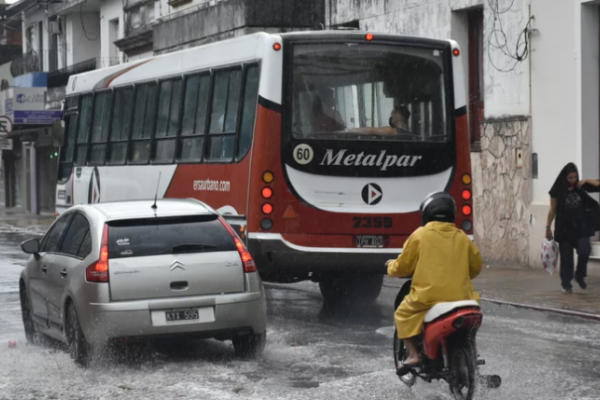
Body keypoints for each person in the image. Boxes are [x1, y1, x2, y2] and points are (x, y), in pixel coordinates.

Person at [385, 191, 482, 376]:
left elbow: (403, 265)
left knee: (402, 314)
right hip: (462, 298)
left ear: (427, 213)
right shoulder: (462, 237)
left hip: (427, 298)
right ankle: (473, 355)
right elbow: (476, 267)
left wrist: (391, 267)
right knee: (469, 328)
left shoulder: (420, 235)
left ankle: (413, 354)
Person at [546, 163, 600, 292]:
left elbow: (598, 185)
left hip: (580, 227)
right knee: (566, 257)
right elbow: (553, 210)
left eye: (575, 177)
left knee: (585, 251)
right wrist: (547, 227)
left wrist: (585, 180)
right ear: (565, 177)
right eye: (570, 178)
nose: (573, 180)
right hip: (565, 228)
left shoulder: (579, 186)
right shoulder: (557, 190)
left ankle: (579, 276)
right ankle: (566, 284)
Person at [340, 103, 414, 137]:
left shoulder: (392, 131)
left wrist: (347, 131)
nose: (391, 116)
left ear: (398, 115)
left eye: (393, 113)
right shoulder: (410, 135)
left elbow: (370, 131)